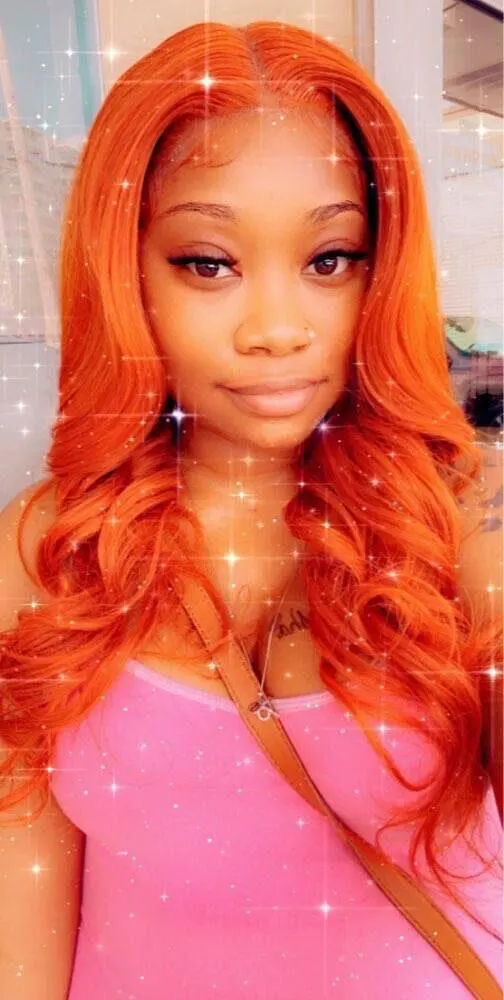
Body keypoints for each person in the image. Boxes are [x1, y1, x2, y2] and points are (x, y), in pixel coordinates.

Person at [0, 19, 502, 1000]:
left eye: (331, 259)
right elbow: (22, 920)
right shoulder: (43, 550)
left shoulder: (466, 517)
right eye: (208, 262)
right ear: (125, 271)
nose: (277, 330)